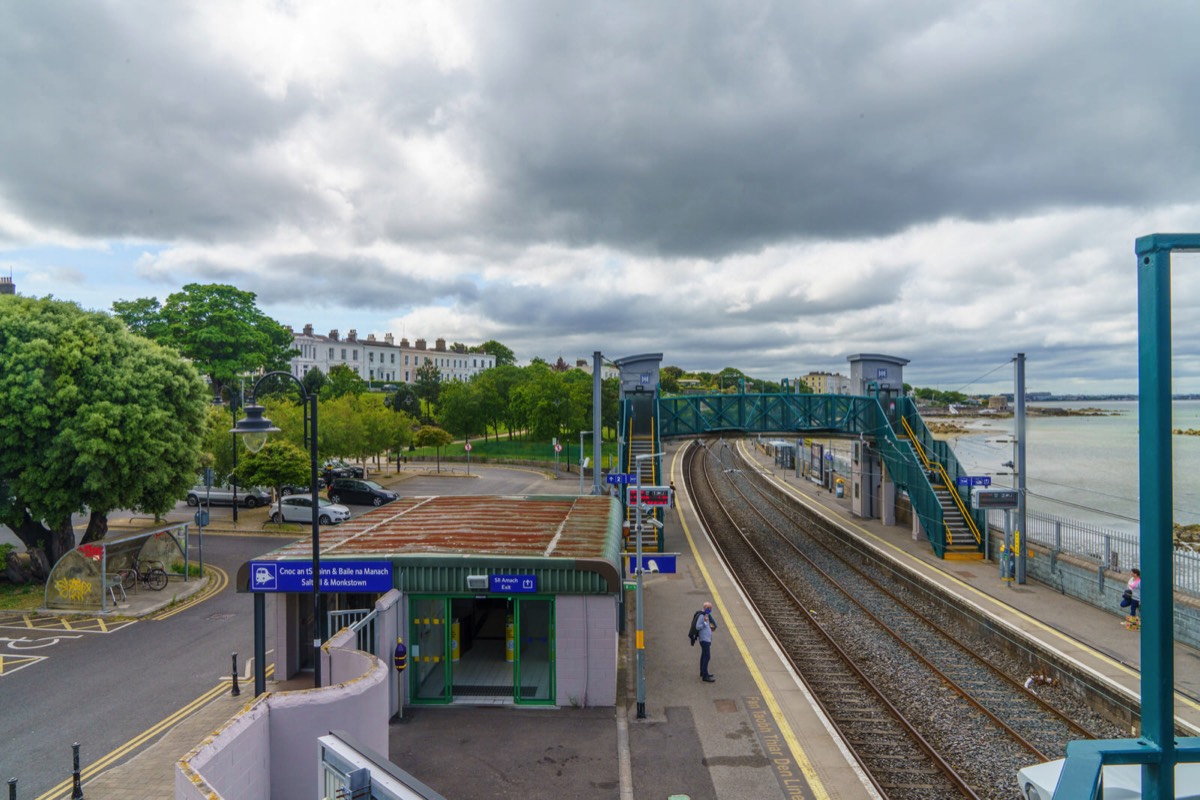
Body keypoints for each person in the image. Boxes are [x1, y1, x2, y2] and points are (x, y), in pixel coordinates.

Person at [696, 601, 718, 682]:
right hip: (704, 640)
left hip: (706, 639)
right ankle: (705, 676)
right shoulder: (702, 616)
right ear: (705, 608)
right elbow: (698, 627)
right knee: (707, 656)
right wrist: (705, 623)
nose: (711, 609)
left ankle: (703, 672)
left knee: (703, 655)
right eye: (709, 608)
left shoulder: (706, 615)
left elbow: (711, 624)